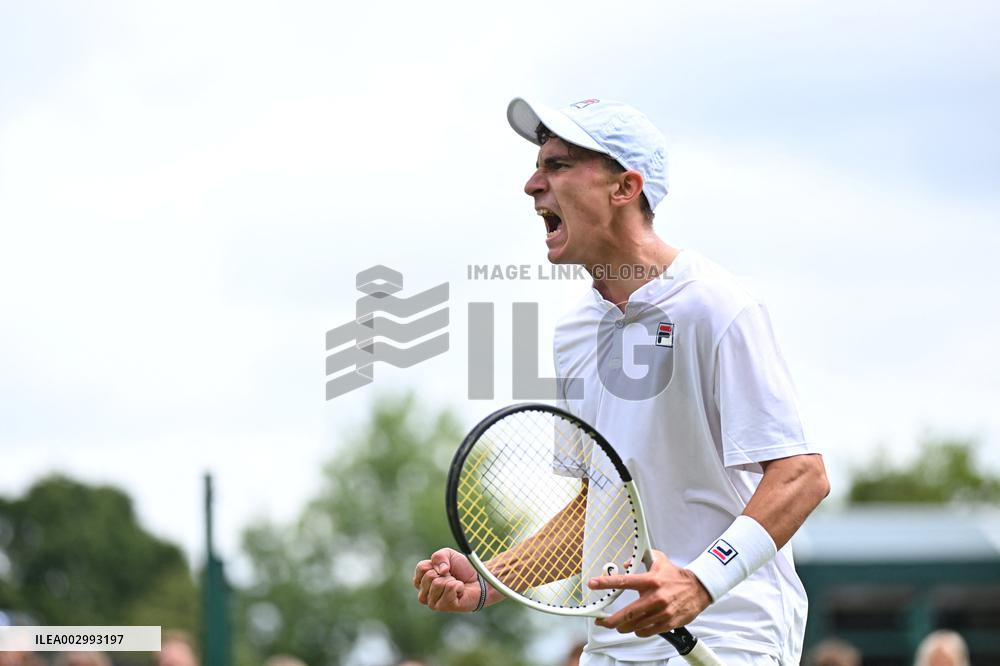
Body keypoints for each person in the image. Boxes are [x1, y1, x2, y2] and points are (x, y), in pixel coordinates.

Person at [413, 97, 829, 664]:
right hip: (612, 646)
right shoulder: (575, 332)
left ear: (624, 187)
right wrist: (490, 578)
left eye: (557, 165)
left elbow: (801, 477)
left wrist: (699, 583)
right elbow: (601, 508)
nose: (532, 184)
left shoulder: (716, 306)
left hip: (730, 636)